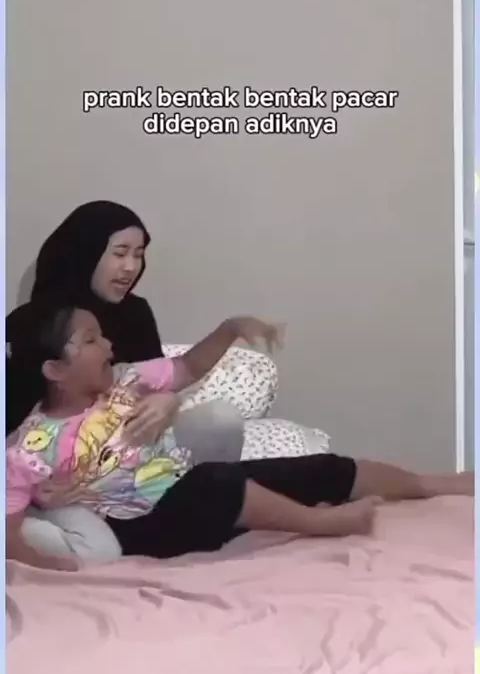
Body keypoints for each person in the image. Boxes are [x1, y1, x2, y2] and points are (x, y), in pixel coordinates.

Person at [6, 303, 473, 571]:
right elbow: (11, 529)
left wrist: (230, 328)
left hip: (183, 487)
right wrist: (49, 562)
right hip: (141, 526)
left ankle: (435, 484)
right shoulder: (33, 443)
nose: (109, 345)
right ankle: (323, 523)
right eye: (91, 340)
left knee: (318, 467)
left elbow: (188, 366)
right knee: (217, 482)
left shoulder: (129, 381)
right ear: (54, 369)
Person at [6, 201, 246, 562]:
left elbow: (164, 376)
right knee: (98, 550)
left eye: (139, 254)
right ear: (85, 253)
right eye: (120, 253)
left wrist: (169, 401)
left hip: (131, 450)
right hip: (63, 479)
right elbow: (15, 429)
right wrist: (40, 486)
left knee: (221, 419)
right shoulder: (30, 325)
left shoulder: (136, 313)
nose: (131, 267)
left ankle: (192, 517)